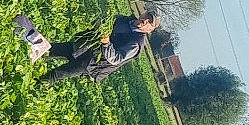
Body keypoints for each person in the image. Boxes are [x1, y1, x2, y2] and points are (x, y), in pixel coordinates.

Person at [15, 10, 159, 86]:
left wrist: (106, 43)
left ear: (150, 30)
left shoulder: (136, 43)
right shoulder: (123, 19)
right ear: (144, 12)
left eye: (150, 23)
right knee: (50, 50)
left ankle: (34, 86)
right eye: (148, 16)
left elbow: (116, 59)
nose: (146, 20)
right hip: (83, 46)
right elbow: (98, 22)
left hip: (92, 63)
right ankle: (22, 58)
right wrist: (99, 23)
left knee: (57, 74)